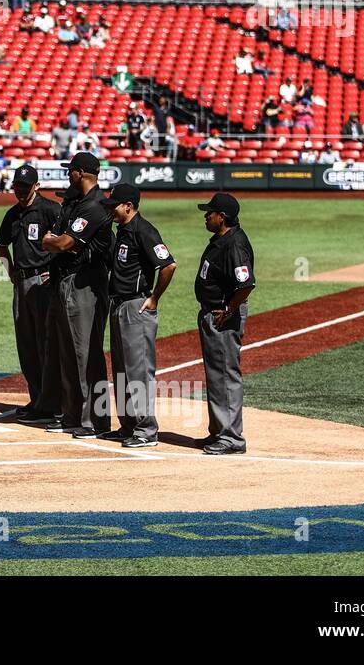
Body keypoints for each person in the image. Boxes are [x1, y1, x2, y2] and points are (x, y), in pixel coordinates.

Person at [34, 152, 112, 436]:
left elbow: (63, 242)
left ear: (81, 173)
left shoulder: (94, 206)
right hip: (66, 281)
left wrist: (55, 242)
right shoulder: (78, 204)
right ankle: (73, 415)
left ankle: (95, 420)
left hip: (86, 285)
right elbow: (49, 239)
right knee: (67, 353)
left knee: (86, 354)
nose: (69, 175)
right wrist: (55, 242)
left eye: (71, 171)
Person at [101, 184, 177, 448]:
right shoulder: (121, 231)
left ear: (129, 207)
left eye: (115, 206)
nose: (111, 210)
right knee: (122, 369)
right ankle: (128, 425)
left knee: (139, 371)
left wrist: (154, 297)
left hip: (136, 307)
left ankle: (146, 430)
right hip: (118, 306)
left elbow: (168, 265)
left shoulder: (144, 230)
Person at [0, 164, 60, 420]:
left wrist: (55, 271)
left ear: (37, 186)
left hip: (43, 284)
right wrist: (9, 270)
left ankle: (52, 403)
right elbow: (1, 245)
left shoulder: (51, 210)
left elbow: (67, 243)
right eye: (17, 186)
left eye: (25, 186)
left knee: (46, 342)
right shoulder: (12, 214)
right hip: (21, 284)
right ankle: (38, 399)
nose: (20, 191)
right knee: (27, 344)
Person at [194, 193, 255, 455]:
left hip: (223, 317)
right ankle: (219, 431)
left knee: (225, 375)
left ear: (223, 217)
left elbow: (246, 284)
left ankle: (231, 438)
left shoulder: (235, 245)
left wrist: (228, 310)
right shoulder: (221, 240)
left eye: (211, 212)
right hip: (213, 314)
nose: (207, 215)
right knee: (215, 376)